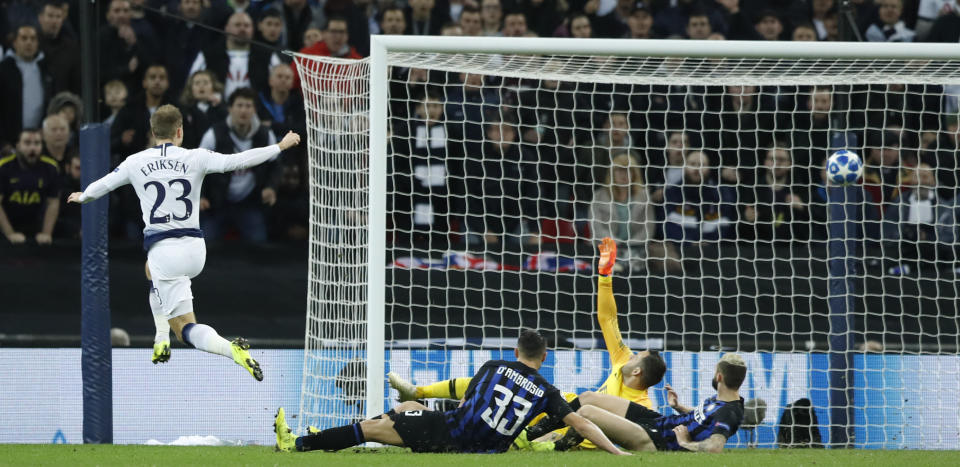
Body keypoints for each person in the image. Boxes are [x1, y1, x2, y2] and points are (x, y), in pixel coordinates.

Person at [67, 104, 302, 379]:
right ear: (180, 131)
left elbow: (105, 184)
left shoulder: (136, 161)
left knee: (185, 329)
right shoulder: (196, 156)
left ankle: (227, 348)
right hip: (195, 249)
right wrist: (279, 146)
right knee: (149, 271)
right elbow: (238, 161)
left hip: (164, 251)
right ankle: (160, 337)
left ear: (153, 132)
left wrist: (84, 196)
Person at [388, 238, 668, 451]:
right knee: (485, 385)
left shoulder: (636, 407)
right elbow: (608, 319)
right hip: (554, 408)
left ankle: (409, 416)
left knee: (470, 411)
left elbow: (604, 436)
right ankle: (417, 393)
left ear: (638, 373)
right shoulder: (622, 361)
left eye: (637, 356)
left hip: (549, 422)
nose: (630, 353)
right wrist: (605, 277)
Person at [274, 329, 629, 455]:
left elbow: (466, 402)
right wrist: (616, 452)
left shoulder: (493, 367)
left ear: (516, 352)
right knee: (410, 406)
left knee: (373, 427)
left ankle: (299, 444)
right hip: (488, 447)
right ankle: (402, 411)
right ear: (545, 357)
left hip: (451, 436)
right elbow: (582, 425)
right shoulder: (547, 391)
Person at [532, 353, 747, 453]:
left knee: (588, 412)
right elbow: (707, 417)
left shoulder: (730, 412)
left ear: (719, 376)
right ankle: (534, 432)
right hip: (662, 422)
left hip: (658, 441)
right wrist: (680, 407)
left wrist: (685, 444)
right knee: (588, 397)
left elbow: (715, 447)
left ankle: (556, 449)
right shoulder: (723, 400)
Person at [199, 87, 281, 243]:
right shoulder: (214, 134)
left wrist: (271, 187)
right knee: (205, 244)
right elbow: (198, 167)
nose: (244, 110)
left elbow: (276, 165)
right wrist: (201, 196)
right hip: (218, 203)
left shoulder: (265, 135)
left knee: (259, 242)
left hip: (249, 204)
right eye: (239, 105)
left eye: (248, 106)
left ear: (255, 110)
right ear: (230, 109)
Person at [592, 156, 680, 274]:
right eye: (619, 170)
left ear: (634, 174)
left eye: (628, 170)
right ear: (612, 173)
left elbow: (648, 228)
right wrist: (616, 243)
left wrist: (629, 244)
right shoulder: (599, 196)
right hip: (606, 250)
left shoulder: (644, 196)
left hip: (638, 250)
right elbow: (596, 228)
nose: (624, 174)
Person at [0, 129, 60, 245]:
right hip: (6, 228)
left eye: (37, 143)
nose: (32, 148)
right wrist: (10, 233)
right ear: (18, 145)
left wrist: (46, 233)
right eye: (27, 143)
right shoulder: (3, 167)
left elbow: (53, 202)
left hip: (36, 228)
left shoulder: (51, 168)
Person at [0, 24, 54, 152]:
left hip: (40, 140)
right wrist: (2, 142)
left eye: (33, 38)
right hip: (9, 143)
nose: (29, 42)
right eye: (24, 38)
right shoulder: (4, 70)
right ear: (15, 42)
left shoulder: (45, 68)